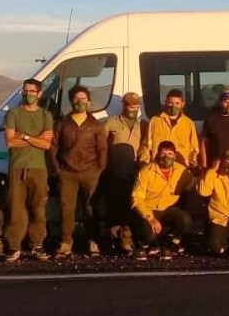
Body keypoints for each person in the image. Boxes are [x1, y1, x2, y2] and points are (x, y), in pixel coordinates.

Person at [49, 85, 107, 257]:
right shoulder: (62, 123)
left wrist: (99, 170)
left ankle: (93, 241)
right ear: (71, 101)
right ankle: (66, 241)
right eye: (76, 98)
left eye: (83, 99)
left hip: (90, 172)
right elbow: (53, 148)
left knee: (90, 208)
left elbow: (102, 149)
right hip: (67, 173)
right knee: (67, 209)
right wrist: (57, 170)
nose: (80, 102)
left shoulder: (95, 125)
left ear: (88, 101)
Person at [2, 78, 54, 263]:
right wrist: (34, 138)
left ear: (39, 94)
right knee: (15, 208)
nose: (28, 94)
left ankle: (37, 245)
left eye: (32, 91)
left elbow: (47, 144)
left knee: (38, 209)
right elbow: (9, 141)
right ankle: (13, 247)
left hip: (39, 169)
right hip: (17, 167)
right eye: (26, 91)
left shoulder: (45, 115)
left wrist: (22, 136)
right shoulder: (13, 114)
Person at [131, 141, 194, 260]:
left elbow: (196, 185)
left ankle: (169, 245)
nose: (166, 157)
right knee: (148, 234)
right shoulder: (146, 172)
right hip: (148, 210)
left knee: (185, 220)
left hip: (167, 210)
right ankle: (143, 245)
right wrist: (150, 218)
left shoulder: (182, 171)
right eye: (163, 153)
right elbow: (136, 199)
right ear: (157, 154)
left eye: (170, 154)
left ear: (174, 156)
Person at [102, 92, 146, 254]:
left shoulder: (144, 125)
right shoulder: (111, 123)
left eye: (136, 106)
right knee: (115, 206)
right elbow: (101, 144)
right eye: (130, 106)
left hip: (135, 171)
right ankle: (113, 238)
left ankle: (127, 239)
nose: (134, 109)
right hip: (116, 171)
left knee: (131, 206)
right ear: (124, 105)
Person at [139, 88, 199, 170]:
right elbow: (146, 146)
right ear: (165, 102)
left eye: (177, 103)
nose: (173, 106)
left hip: (180, 170)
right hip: (158, 168)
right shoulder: (154, 121)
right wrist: (144, 164)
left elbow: (194, 148)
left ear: (183, 104)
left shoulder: (189, 124)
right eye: (170, 102)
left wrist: (192, 164)